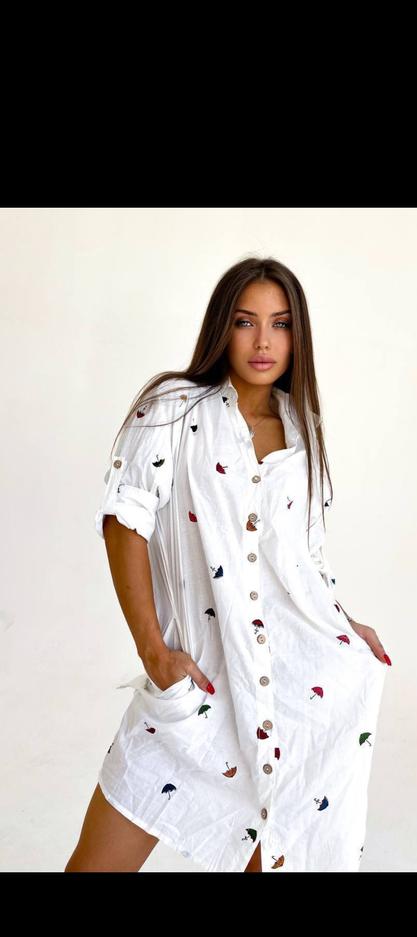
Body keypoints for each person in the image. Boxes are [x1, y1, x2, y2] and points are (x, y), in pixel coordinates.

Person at [64, 255, 391, 873]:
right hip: (197, 690)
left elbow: (303, 561)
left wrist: (345, 624)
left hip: (287, 698)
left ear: (297, 335)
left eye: (280, 324)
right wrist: (154, 654)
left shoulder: (302, 431)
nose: (264, 341)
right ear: (223, 327)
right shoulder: (173, 408)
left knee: (274, 855)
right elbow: (124, 520)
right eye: (246, 322)